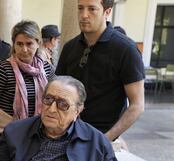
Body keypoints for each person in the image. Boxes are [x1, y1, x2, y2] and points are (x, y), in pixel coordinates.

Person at [56, 0, 145, 142]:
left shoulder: (126, 49)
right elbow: (58, 91)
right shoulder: (70, 47)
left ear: (107, 12)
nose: (84, 15)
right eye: (80, 8)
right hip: (66, 133)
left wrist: (106, 139)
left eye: (92, 9)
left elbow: (137, 105)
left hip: (102, 135)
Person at [0, 20, 55, 143]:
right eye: (19, 44)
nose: (24, 49)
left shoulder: (47, 69)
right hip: (7, 135)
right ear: (13, 44)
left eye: (29, 44)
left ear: (38, 43)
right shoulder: (2, 69)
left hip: (39, 134)